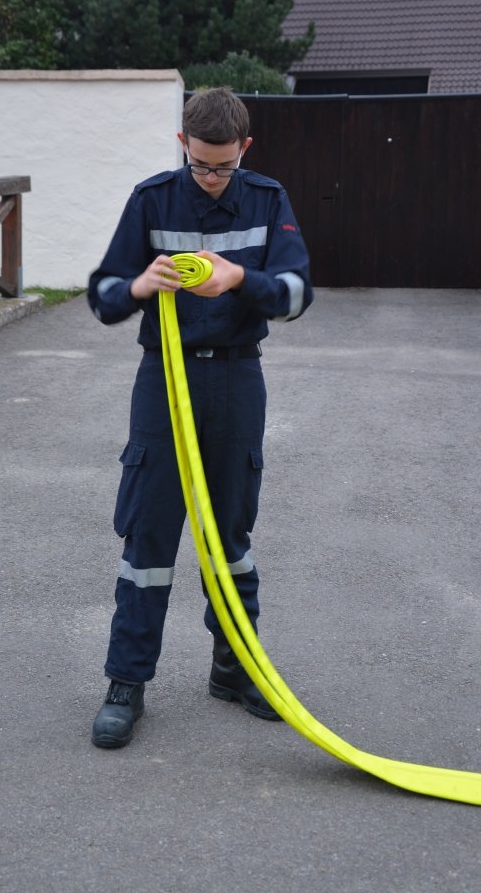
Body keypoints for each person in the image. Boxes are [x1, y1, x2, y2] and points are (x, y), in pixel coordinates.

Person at [87, 87, 313, 748]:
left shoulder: (268, 199)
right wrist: (139, 286)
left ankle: (236, 668)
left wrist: (240, 280)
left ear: (245, 149)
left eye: (224, 166)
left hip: (237, 379)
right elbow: (103, 295)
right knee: (149, 534)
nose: (212, 178)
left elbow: (298, 294)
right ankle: (127, 682)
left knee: (229, 535)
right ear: (182, 144)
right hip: (165, 378)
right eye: (200, 165)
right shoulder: (152, 199)